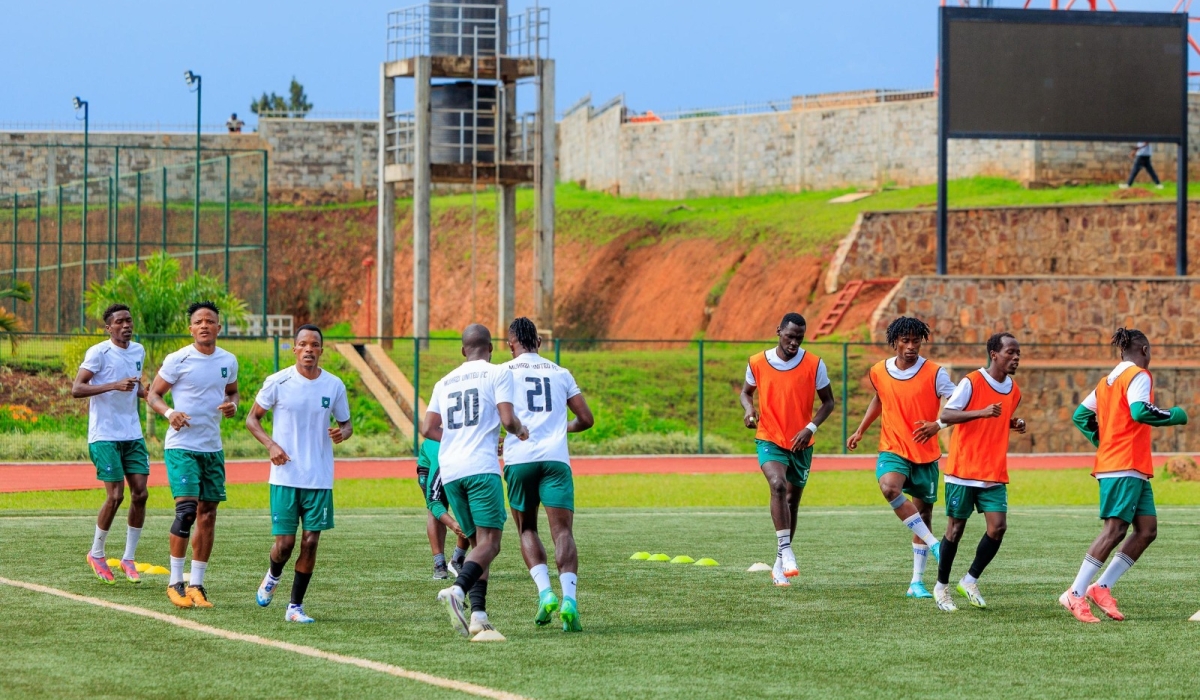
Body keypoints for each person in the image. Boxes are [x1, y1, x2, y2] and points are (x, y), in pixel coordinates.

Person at [1060, 328, 1187, 623]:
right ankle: (1075, 593)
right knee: (1115, 530)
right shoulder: (1139, 376)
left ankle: (1101, 587)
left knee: (1146, 530)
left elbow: (1081, 415)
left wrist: (1103, 442)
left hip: (1130, 465)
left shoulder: (1108, 381)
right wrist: (1175, 415)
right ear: (1143, 350)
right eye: (1150, 351)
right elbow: (1140, 412)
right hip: (1123, 465)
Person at [423, 324, 529, 641]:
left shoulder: (444, 381)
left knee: (477, 544)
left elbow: (428, 428)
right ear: (491, 348)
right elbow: (508, 420)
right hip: (481, 468)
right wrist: (521, 431)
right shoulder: (497, 374)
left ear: (463, 350)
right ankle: (457, 590)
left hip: (452, 470)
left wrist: (457, 439)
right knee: (491, 543)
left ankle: (479, 616)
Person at [246, 324, 352, 623]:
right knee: (285, 545)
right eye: (303, 344)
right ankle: (273, 574)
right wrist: (271, 445)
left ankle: (295, 607)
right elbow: (252, 419)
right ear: (294, 349)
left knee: (310, 541)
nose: (308, 349)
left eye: (314, 344)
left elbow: (347, 424)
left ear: (321, 350)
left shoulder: (333, 385)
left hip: (319, 478)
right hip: (284, 477)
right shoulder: (278, 382)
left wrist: (342, 432)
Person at [846, 316, 956, 599]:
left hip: (925, 453)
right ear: (894, 341)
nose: (910, 346)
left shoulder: (935, 373)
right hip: (893, 447)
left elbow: (957, 404)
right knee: (889, 487)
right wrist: (860, 430)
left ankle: (916, 582)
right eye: (905, 341)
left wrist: (938, 425)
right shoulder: (878, 371)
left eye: (915, 341)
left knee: (925, 513)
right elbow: (880, 398)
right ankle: (935, 544)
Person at [501, 317, 595, 632]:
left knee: (527, 529)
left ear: (510, 344)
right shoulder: (560, 372)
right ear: (539, 343)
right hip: (556, 460)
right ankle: (570, 599)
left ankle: (545, 593)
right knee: (563, 533)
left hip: (519, 459)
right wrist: (561, 428)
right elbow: (586, 418)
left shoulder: (504, 372)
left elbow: (499, 417)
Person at [147, 301, 239, 609]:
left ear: (218, 328)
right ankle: (175, 582)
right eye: (198, 321)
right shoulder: (178, 359)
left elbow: (233, 391)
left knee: (208, 515)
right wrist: (170, 412)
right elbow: (153, 395)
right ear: (191, 328)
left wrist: (233, 405)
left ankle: (197, 585)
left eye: (209, 321)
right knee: (186, 512)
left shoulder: (229, 360)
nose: (204, 325)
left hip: (212, 449)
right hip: (182, 446)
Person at [739, 312, 836, 587]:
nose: (794, 342)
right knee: (777, 485)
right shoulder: (757, 361)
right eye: (789, 336)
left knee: (792, 502)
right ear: (778, 330)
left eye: (799, 338)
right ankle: (787, 550)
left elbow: (828, 402)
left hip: (801, 443)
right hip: (769, 437)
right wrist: (749, 410)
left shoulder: (815, 364)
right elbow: (746, 392)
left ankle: (779, 564)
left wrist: (811, 429)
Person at [933, 332, 1026, 612]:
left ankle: (970, 580)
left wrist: (1014, 422)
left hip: (993, 472)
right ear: (994, 354)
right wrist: (981, 412)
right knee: (955, 530)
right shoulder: (971, 382)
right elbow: (948, 415)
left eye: (1018, 353)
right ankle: (941, 588)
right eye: (1010, 352)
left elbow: (998, 418)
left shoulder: (1015, 390)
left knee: (998, 527)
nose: (1016, 358)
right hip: (963, 470)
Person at [72, 303, 149, 585]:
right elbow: (77, 389)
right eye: (119, 322)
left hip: (132, 434)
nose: (126, 325)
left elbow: (136, 385)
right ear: (109, 328)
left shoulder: (139, 350)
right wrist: (113, 385)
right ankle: (97, 552)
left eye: (129, 320)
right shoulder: (98, 352)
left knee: (140, 494)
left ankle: (128, 558)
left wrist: (144, 392)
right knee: (116, 496)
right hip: (104, 435)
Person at [417, 437, 469, 580]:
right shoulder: (444, 460)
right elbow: (433, 501)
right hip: (431, 466)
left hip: (461, 467)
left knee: (471, 512)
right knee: (437, 511)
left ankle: (457, 560)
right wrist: (453, 524)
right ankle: (439, 564)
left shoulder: (472, 459)